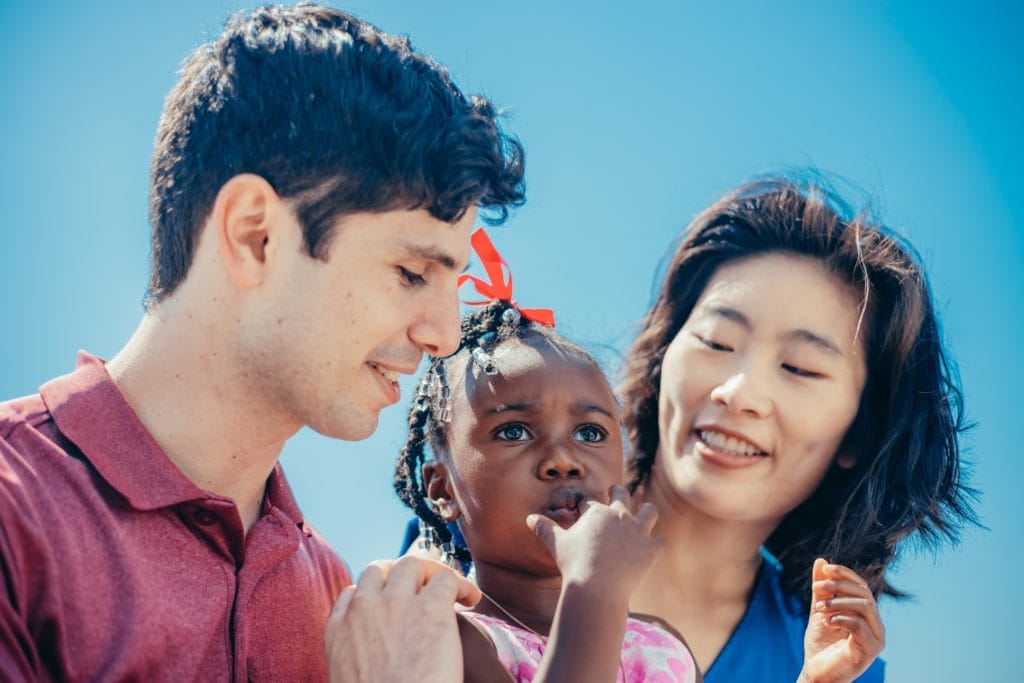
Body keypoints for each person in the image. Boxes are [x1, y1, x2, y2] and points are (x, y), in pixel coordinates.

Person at [0, 4, 525, 681]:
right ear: (256, 236)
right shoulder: (16, 510)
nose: (445, 333)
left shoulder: (339, 600)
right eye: (412, 272)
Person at [621, 176, 977, 682]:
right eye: (717, 342)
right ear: (663, 354)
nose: (738, 393)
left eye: (800, 369)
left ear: (859, 435)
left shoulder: (836, 667)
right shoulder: (495, 523)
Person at [392, 230, 700, 682]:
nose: (563, 459)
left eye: (590, 432)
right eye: (514, 431)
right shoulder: (453, 641)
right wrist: (593, 590)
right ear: (442, 489)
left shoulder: (663, 646)